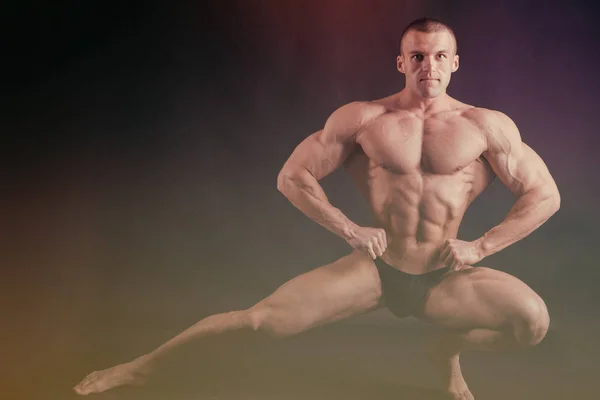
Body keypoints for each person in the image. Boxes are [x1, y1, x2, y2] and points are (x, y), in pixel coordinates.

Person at [74, 17, 560, 400]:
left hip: (445, 276)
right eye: (417, 56)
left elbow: (544, 194)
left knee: (532, 323)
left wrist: (482, 245)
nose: (428, 66)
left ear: (456, 63)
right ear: (400, 63)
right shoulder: (364, 119)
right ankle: (138, 368)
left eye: (439, 57)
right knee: (261, 322)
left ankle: (447, 345)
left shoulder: (486, 126)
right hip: (377, 268)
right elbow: (292, 176)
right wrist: (348, 229)